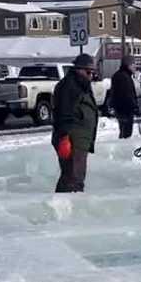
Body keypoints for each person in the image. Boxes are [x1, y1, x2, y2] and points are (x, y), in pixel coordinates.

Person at [52, 53, 99, 193]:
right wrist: (65, 137)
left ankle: (68, 204)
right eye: (88, 72)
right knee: (73, 178)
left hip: (80, 140)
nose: (91, 76)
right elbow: (63, 112)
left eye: (93, 73)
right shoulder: (70, 86)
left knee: (73, 176)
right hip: (72, 139)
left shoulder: (81, 84)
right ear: (78, 69)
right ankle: (70, 208)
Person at [110, 56, 140, 139]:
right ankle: (123, 148)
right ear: (128, 65)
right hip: (125, 110)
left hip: (120, 109)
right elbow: (127, 95)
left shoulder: (119, 75)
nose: (135, 67)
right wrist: (134, 107)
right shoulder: (124, 77)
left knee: (123, 130)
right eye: (134, 64)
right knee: (126, 132)